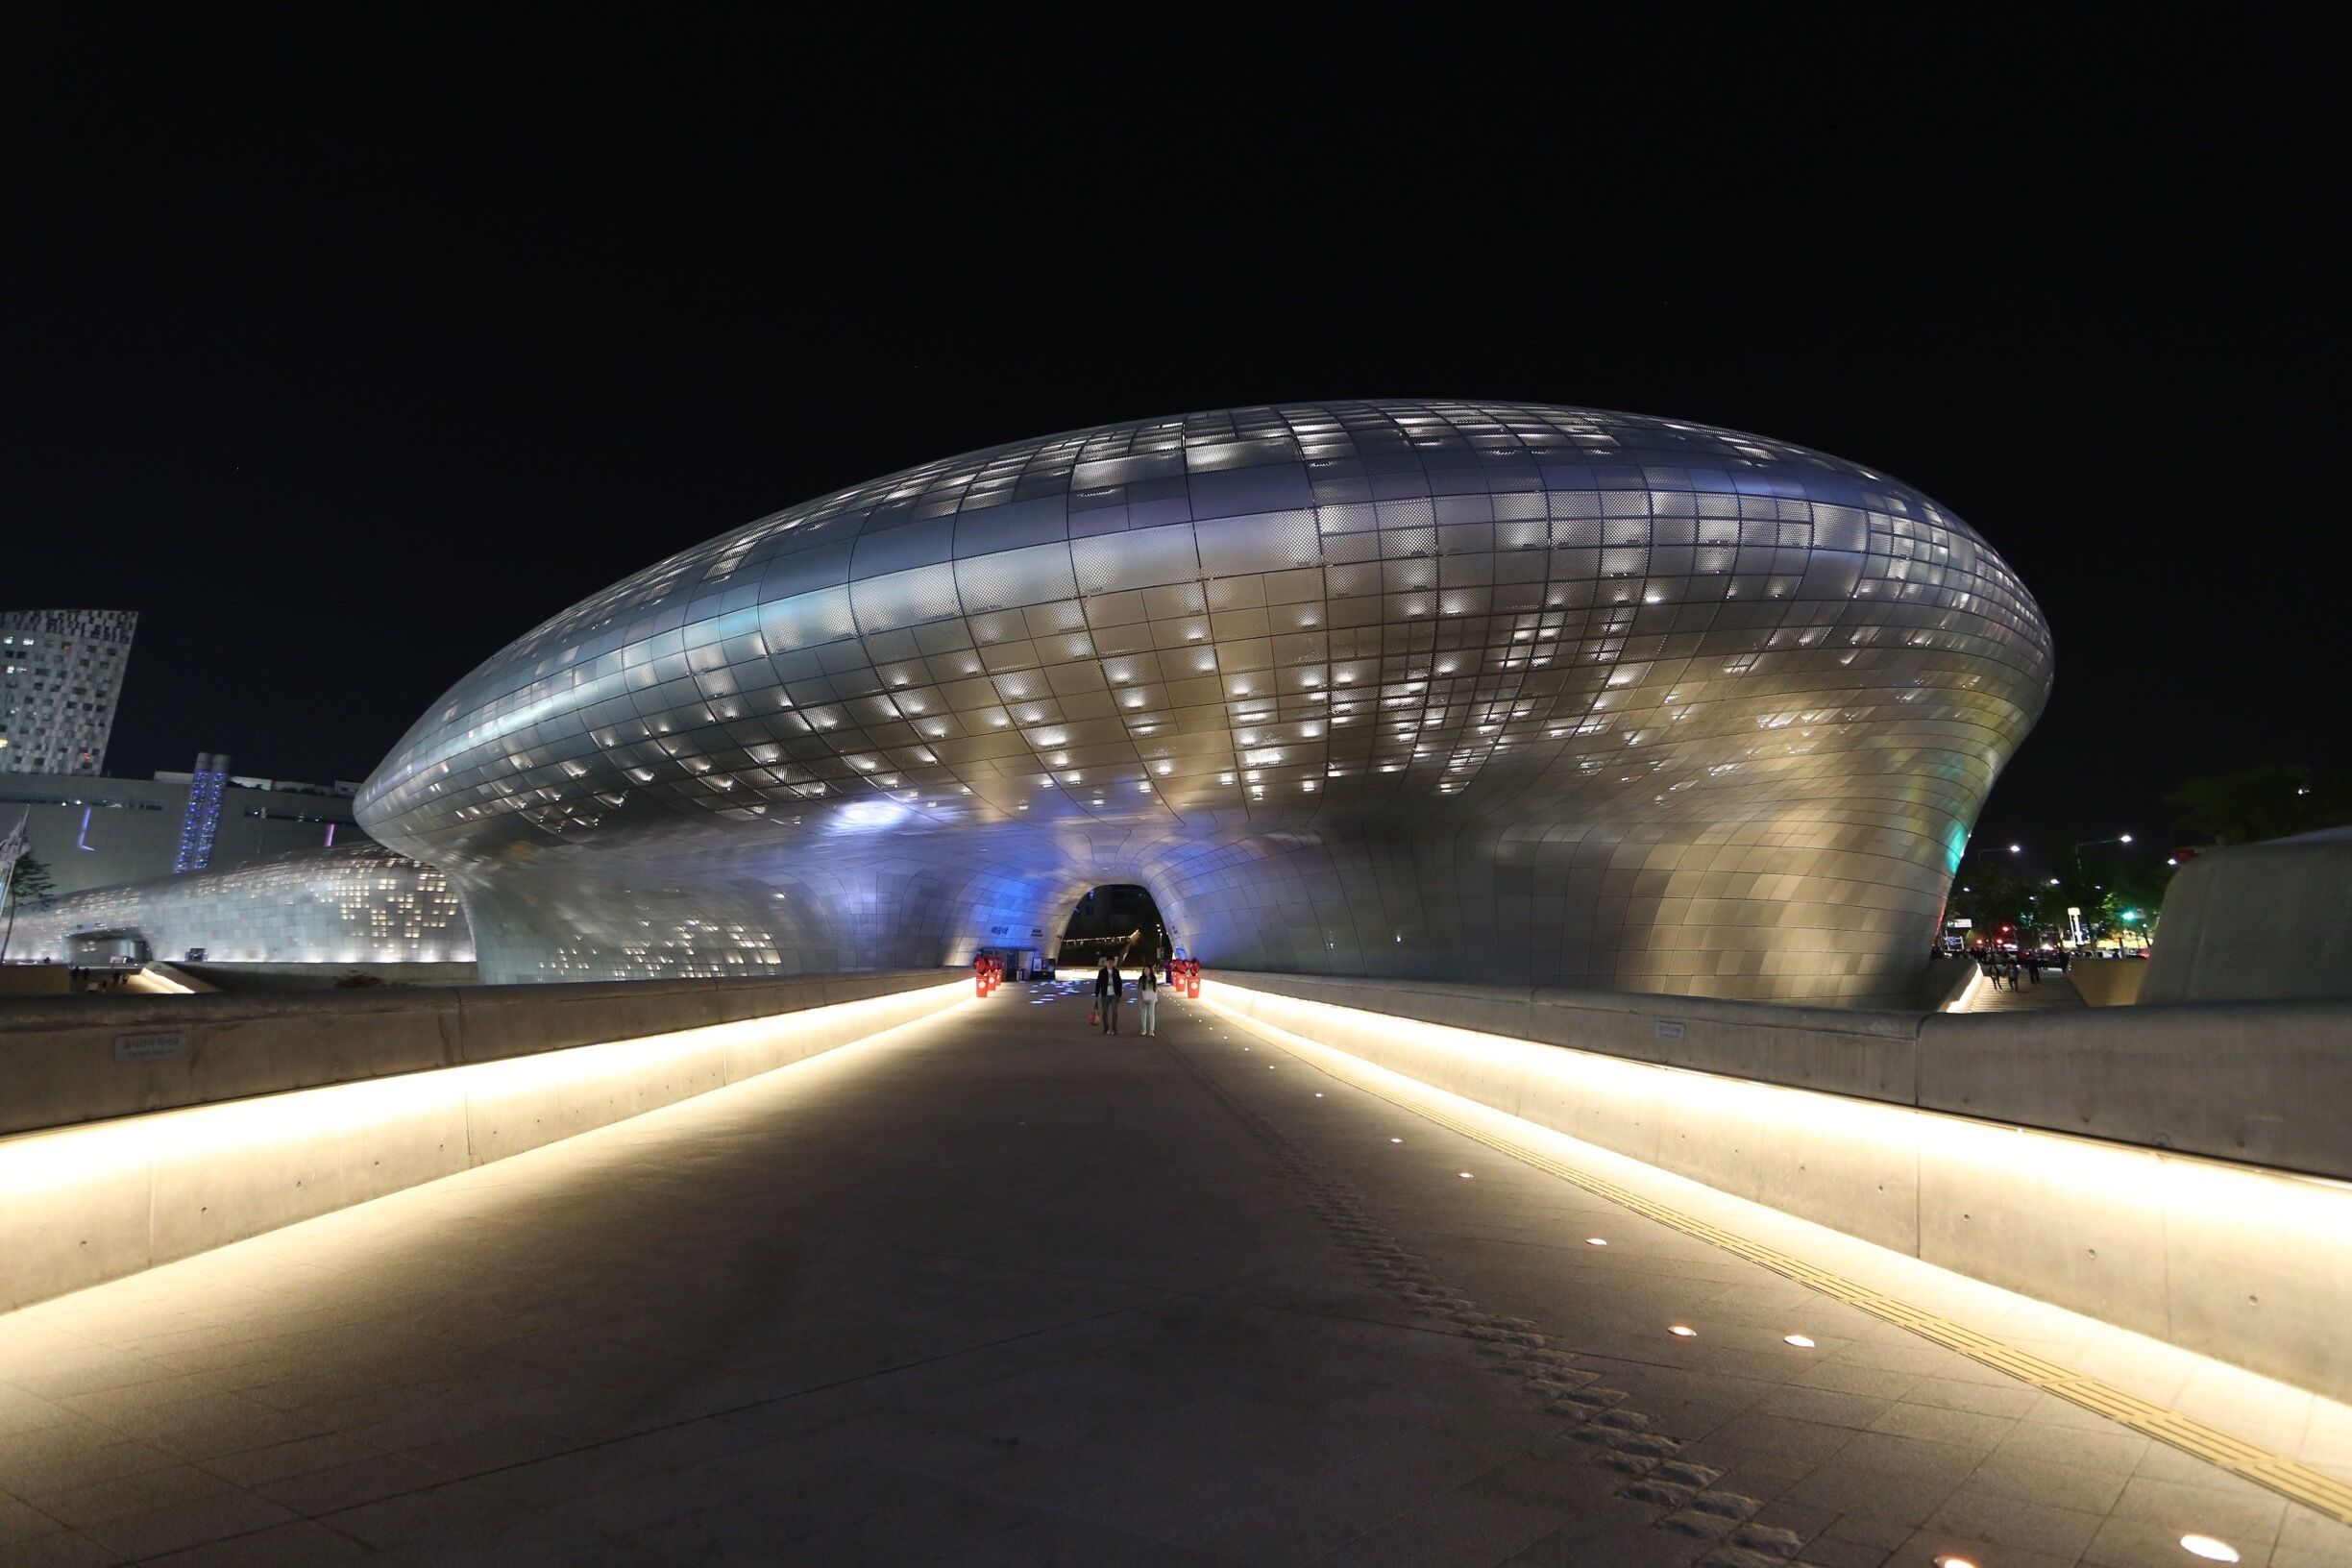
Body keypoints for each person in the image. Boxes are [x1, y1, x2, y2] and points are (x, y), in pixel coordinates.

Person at [1096, 958, 1121, 1035]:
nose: (1110, 963)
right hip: (1105, 995)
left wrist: (1119, 995)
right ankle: (1106, 1028)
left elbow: (1120, 983)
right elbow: (1098, 983)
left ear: (1114, 963)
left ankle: (1114, 1029)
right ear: (1106, 963)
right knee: (1105, 1012)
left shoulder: (1116, 972)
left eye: (1112, 962)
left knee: (1115, 1012)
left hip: (1114, 995)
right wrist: (1096, 994)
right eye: (1109, 962)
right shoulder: (1102, 972)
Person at [1136, 959, 1159, 1037]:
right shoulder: (1142, 979)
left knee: (1151, 1014)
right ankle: (1143, 1029)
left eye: (1147, 969)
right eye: (1145, 969)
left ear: (1150, 970)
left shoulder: (1153, 978)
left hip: (1152, 998)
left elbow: (1155, 990)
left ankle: (1151, 1030)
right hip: (1143, 998)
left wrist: (1156, 1000)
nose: (1146, 971)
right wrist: (1143, 999)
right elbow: (1140, 990)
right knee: (1143, 1014)